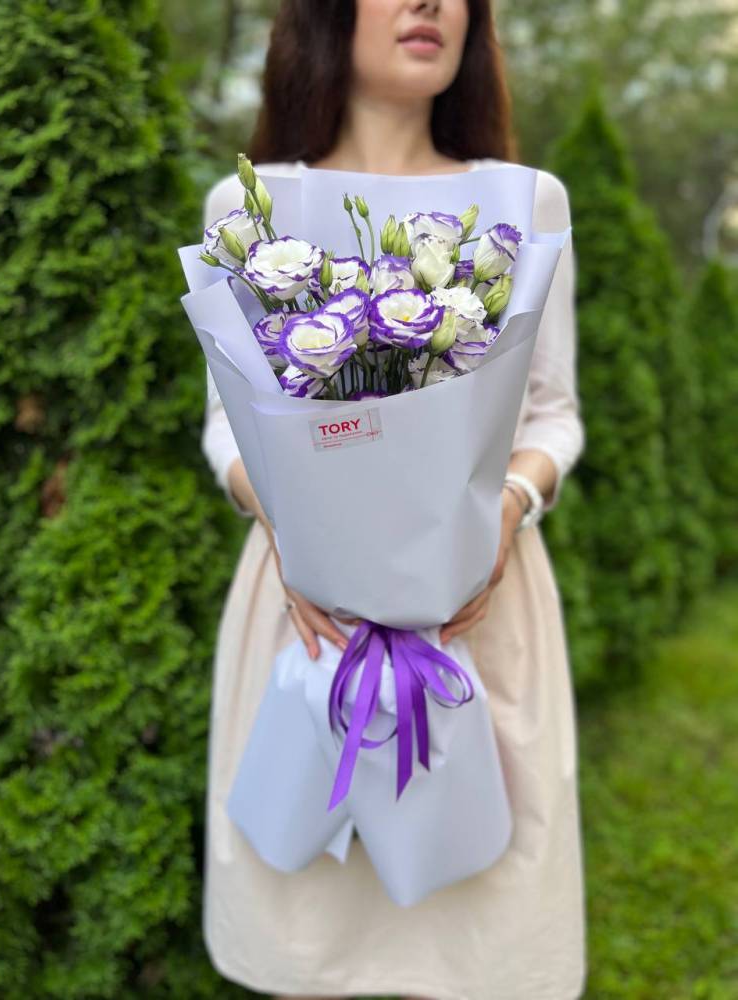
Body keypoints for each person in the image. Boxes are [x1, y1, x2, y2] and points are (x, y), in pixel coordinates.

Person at [200, 2, 587, 998]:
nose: (431, 3)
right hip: (310, 616)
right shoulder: (252, 211)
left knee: (479, 929)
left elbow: (553, 415)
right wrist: (292, 523)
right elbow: (224, 425)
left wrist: (503, 509)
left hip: (476, 612)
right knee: (309, 930)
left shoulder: (525, 201)